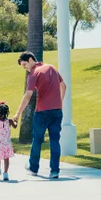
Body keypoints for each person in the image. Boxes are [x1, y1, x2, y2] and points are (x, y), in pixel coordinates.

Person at [14, 51, 66, 179]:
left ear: (31, 59)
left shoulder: (33, 74)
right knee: (55, 140)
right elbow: (64, 86)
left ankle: (34, 168)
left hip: (42, 111)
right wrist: (59, 102)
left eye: (25, 64)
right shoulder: (52, 68)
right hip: (57, 111)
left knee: (37, 140)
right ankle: (55, 171)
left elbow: (28, 95)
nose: (25, 68)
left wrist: (17, 113)